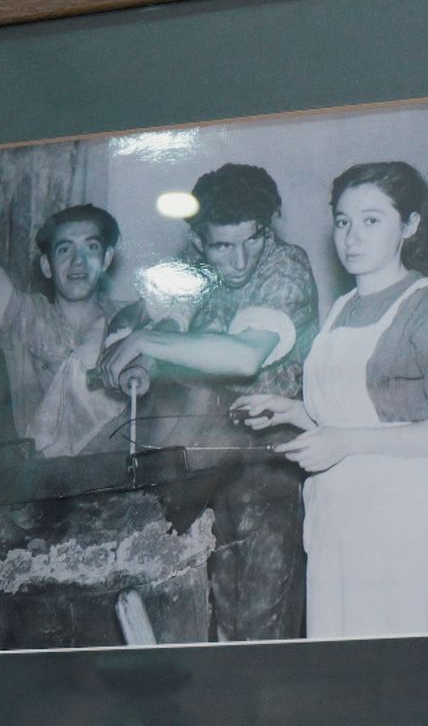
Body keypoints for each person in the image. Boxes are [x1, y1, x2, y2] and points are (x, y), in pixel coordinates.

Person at [234, 161, 428, 638]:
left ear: (410, 225)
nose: (352, 237)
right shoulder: (341, 309)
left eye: (371, 220)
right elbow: (351, 411)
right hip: (342, 518)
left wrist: (345, 441)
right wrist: (293, 410)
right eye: (343, 221)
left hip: (410, 522)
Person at [97, 163, 319, 641]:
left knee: (263, 627)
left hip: (275, 468)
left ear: (269, 227)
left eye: (253, 239)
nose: (241, 261)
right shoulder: (206, 280)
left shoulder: (286, 266)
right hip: (217, 463)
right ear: (199, 242)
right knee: (221, 620)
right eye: (223, 246)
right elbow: (191, 342)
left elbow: (242, 358)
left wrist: (146, 344)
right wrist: (144, 364)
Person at [0, 152, 126, 457]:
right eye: (64, 250)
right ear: (46, 265)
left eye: (91, 248)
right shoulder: (25, 318)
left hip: (113, 481)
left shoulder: (129, 322)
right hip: (41, 485)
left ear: (107, 259)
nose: (78, 262)